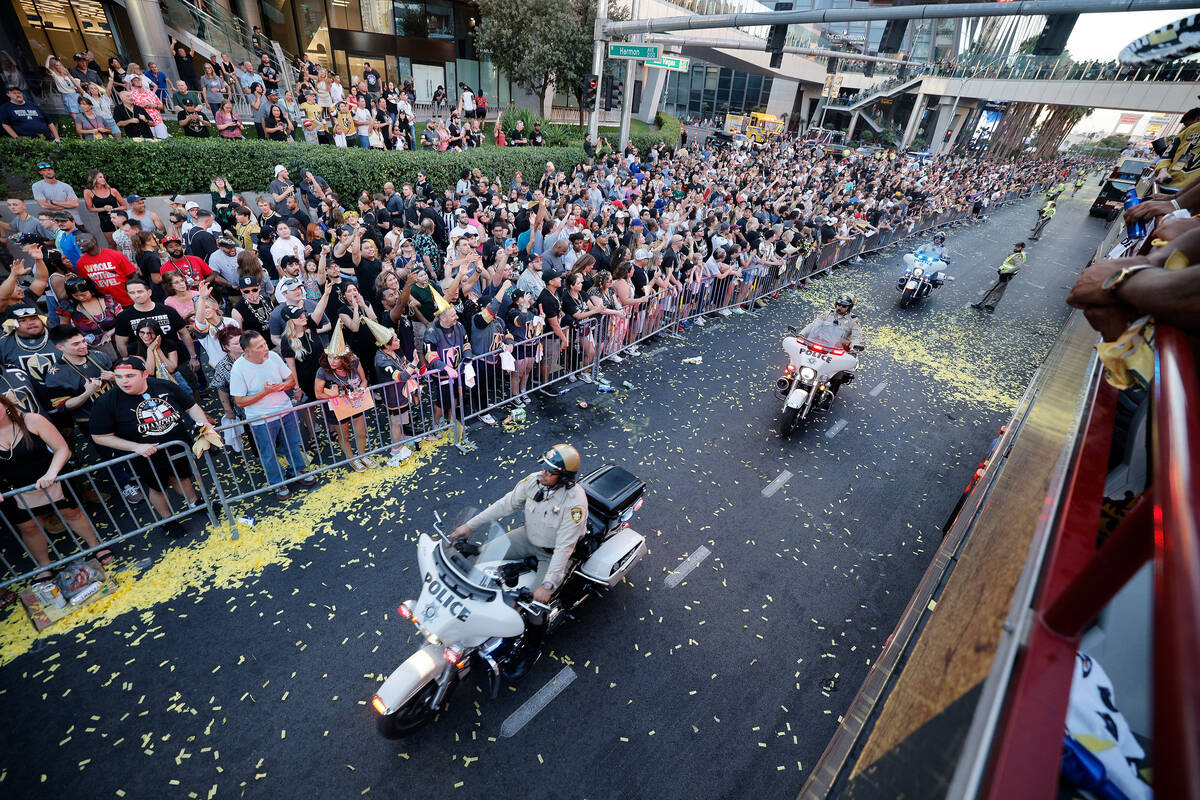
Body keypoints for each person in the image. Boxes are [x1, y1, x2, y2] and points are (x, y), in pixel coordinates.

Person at [449, 443, 588, 678]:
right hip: (528, 536)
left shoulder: (575, 503)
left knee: (534, 607)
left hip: (551, 551)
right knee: (483, 558)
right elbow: (505, 504)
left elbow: (564, 548)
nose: (543, 473)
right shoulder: (534, 481)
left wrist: (548, 585)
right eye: (543, 467)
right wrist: (469, 526)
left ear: (564, 478)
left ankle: (532, 649)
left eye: (550, 472)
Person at [0, 393, 110, 580]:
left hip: (53, 479)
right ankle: (44, 565)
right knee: (29, 527)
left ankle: (96, 546)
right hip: (15, 491)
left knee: (71, 513)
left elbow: (61, 448)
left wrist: (51, 473)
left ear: (5, 404)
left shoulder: (32, 420)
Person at [89, 355, 210, 525]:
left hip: (178, 447)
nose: (124, 381)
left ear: (145, 374)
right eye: (118, 377)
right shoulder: (106, 402)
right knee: (157, 488)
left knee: (183, 477)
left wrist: (204, 426)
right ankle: (167, 520)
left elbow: (191, 406)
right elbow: (100, 437)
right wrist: (136, 447)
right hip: (145, 457)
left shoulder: (164, 385)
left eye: (130, 376)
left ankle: (195, 503)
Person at [229, 330, 317, 499]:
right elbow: (239, 401)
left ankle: (298, 469)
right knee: (268, 453)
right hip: (260, 419)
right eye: (260, 346)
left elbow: (290, 380)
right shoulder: (238, 368)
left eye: (264, 343)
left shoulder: (274, 357)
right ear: (248, 351)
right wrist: (264, 392)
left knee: (293, 444)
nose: (265, 348)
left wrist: (281, 387)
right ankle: (278, 482)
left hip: (285, 410)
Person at [313, 323, 374, 471]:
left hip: (356, 403)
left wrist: (361, 389)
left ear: (344, 358)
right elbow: (317, 394)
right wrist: (332, 394)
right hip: (337, 408)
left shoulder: (354, 363)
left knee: (361, 432)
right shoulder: (323, 371)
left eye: (335, 358)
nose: (331, 361)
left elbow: (364, 380)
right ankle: (352, 459)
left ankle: (362, 455)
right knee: (344, 435)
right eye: (329, 357)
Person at [799, 292, 864, 399]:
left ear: (849, 307)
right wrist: (802, 334)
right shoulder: (828, 314)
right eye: (838, 304)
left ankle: (831, 394)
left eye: (844, 306)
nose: (840, 307)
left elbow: (856, 336)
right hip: (821, 344)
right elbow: (814, 324)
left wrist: (854, 346)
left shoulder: (853, 320)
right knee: (804, 359)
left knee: (838, 371)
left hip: (837, 348)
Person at [73, 232, 139, 307]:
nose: (78, 244)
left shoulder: (115, 255)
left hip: (129, 301)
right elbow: (87, 285)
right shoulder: (81, 263)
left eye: (82, 241)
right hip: (107, 306)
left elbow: (133, 276)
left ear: (94, 241)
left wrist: (136, 295)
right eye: (77, 242)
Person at [972, 242, 1027, 314]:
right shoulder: (1018, 255)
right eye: (1015, 246)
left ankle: (980, 304)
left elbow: (1018, 266)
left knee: (992, 290)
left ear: (1022, 248)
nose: (1015, 248)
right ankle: (992, 305)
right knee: (1000, 290)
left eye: (1018, 247)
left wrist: (1006, 272)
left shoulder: (1018, 256)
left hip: (1006, 275)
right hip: (1008, 275)